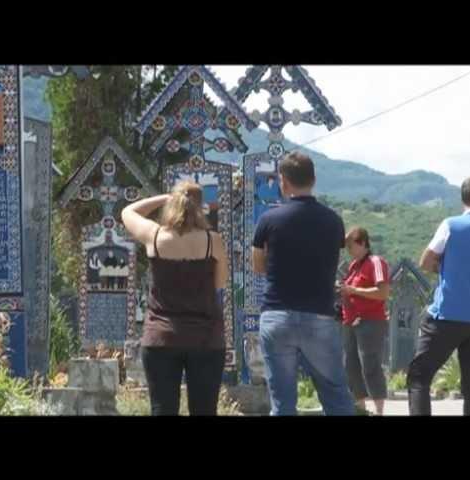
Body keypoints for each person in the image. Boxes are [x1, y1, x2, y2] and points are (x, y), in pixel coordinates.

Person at [252, 151, 355, 416]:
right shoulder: (334, 221)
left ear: (282, 181)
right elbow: (332, 261)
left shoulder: (268, 220)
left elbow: (258, 266)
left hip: (277, 314)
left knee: (283, 403)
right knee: (337, 398)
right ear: (314, 179)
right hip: (319, 315)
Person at [122, 181, 228, 416]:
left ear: (173, 204)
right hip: (206, 338)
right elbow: (218, 284)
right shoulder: (213, 241)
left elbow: (128, 212)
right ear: (200, 208)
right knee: (204, 410)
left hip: (161, 337)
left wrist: (164, 198)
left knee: (162, 409)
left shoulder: (155, 236)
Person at [408, 177, 470, 415]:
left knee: (419, 376)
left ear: (462, 199)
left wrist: (444, 268)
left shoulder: (451, 225)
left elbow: (425, 261)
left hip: (447, 314)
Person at [339, 227, 391, 415]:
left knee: (370, 365)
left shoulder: (376, 262)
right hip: (350, 322)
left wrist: (354, 291)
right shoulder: (354, 266)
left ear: (362, 243)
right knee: (351, 365)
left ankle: (379, 410)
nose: (349, 251)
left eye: (351, 246)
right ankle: (360, 407)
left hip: (370, 321)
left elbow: (383, 292)